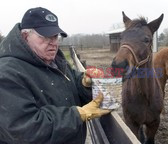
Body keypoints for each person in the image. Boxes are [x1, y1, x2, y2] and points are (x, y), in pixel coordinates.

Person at [0, 7, 110, 143]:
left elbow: (69, 82)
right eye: (45, 36)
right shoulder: (7, 73)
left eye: (55, 36)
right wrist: (77, 115)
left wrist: (84, 83)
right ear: (25, 36)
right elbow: (24, 129)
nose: (53, 42)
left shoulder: (54, 60)